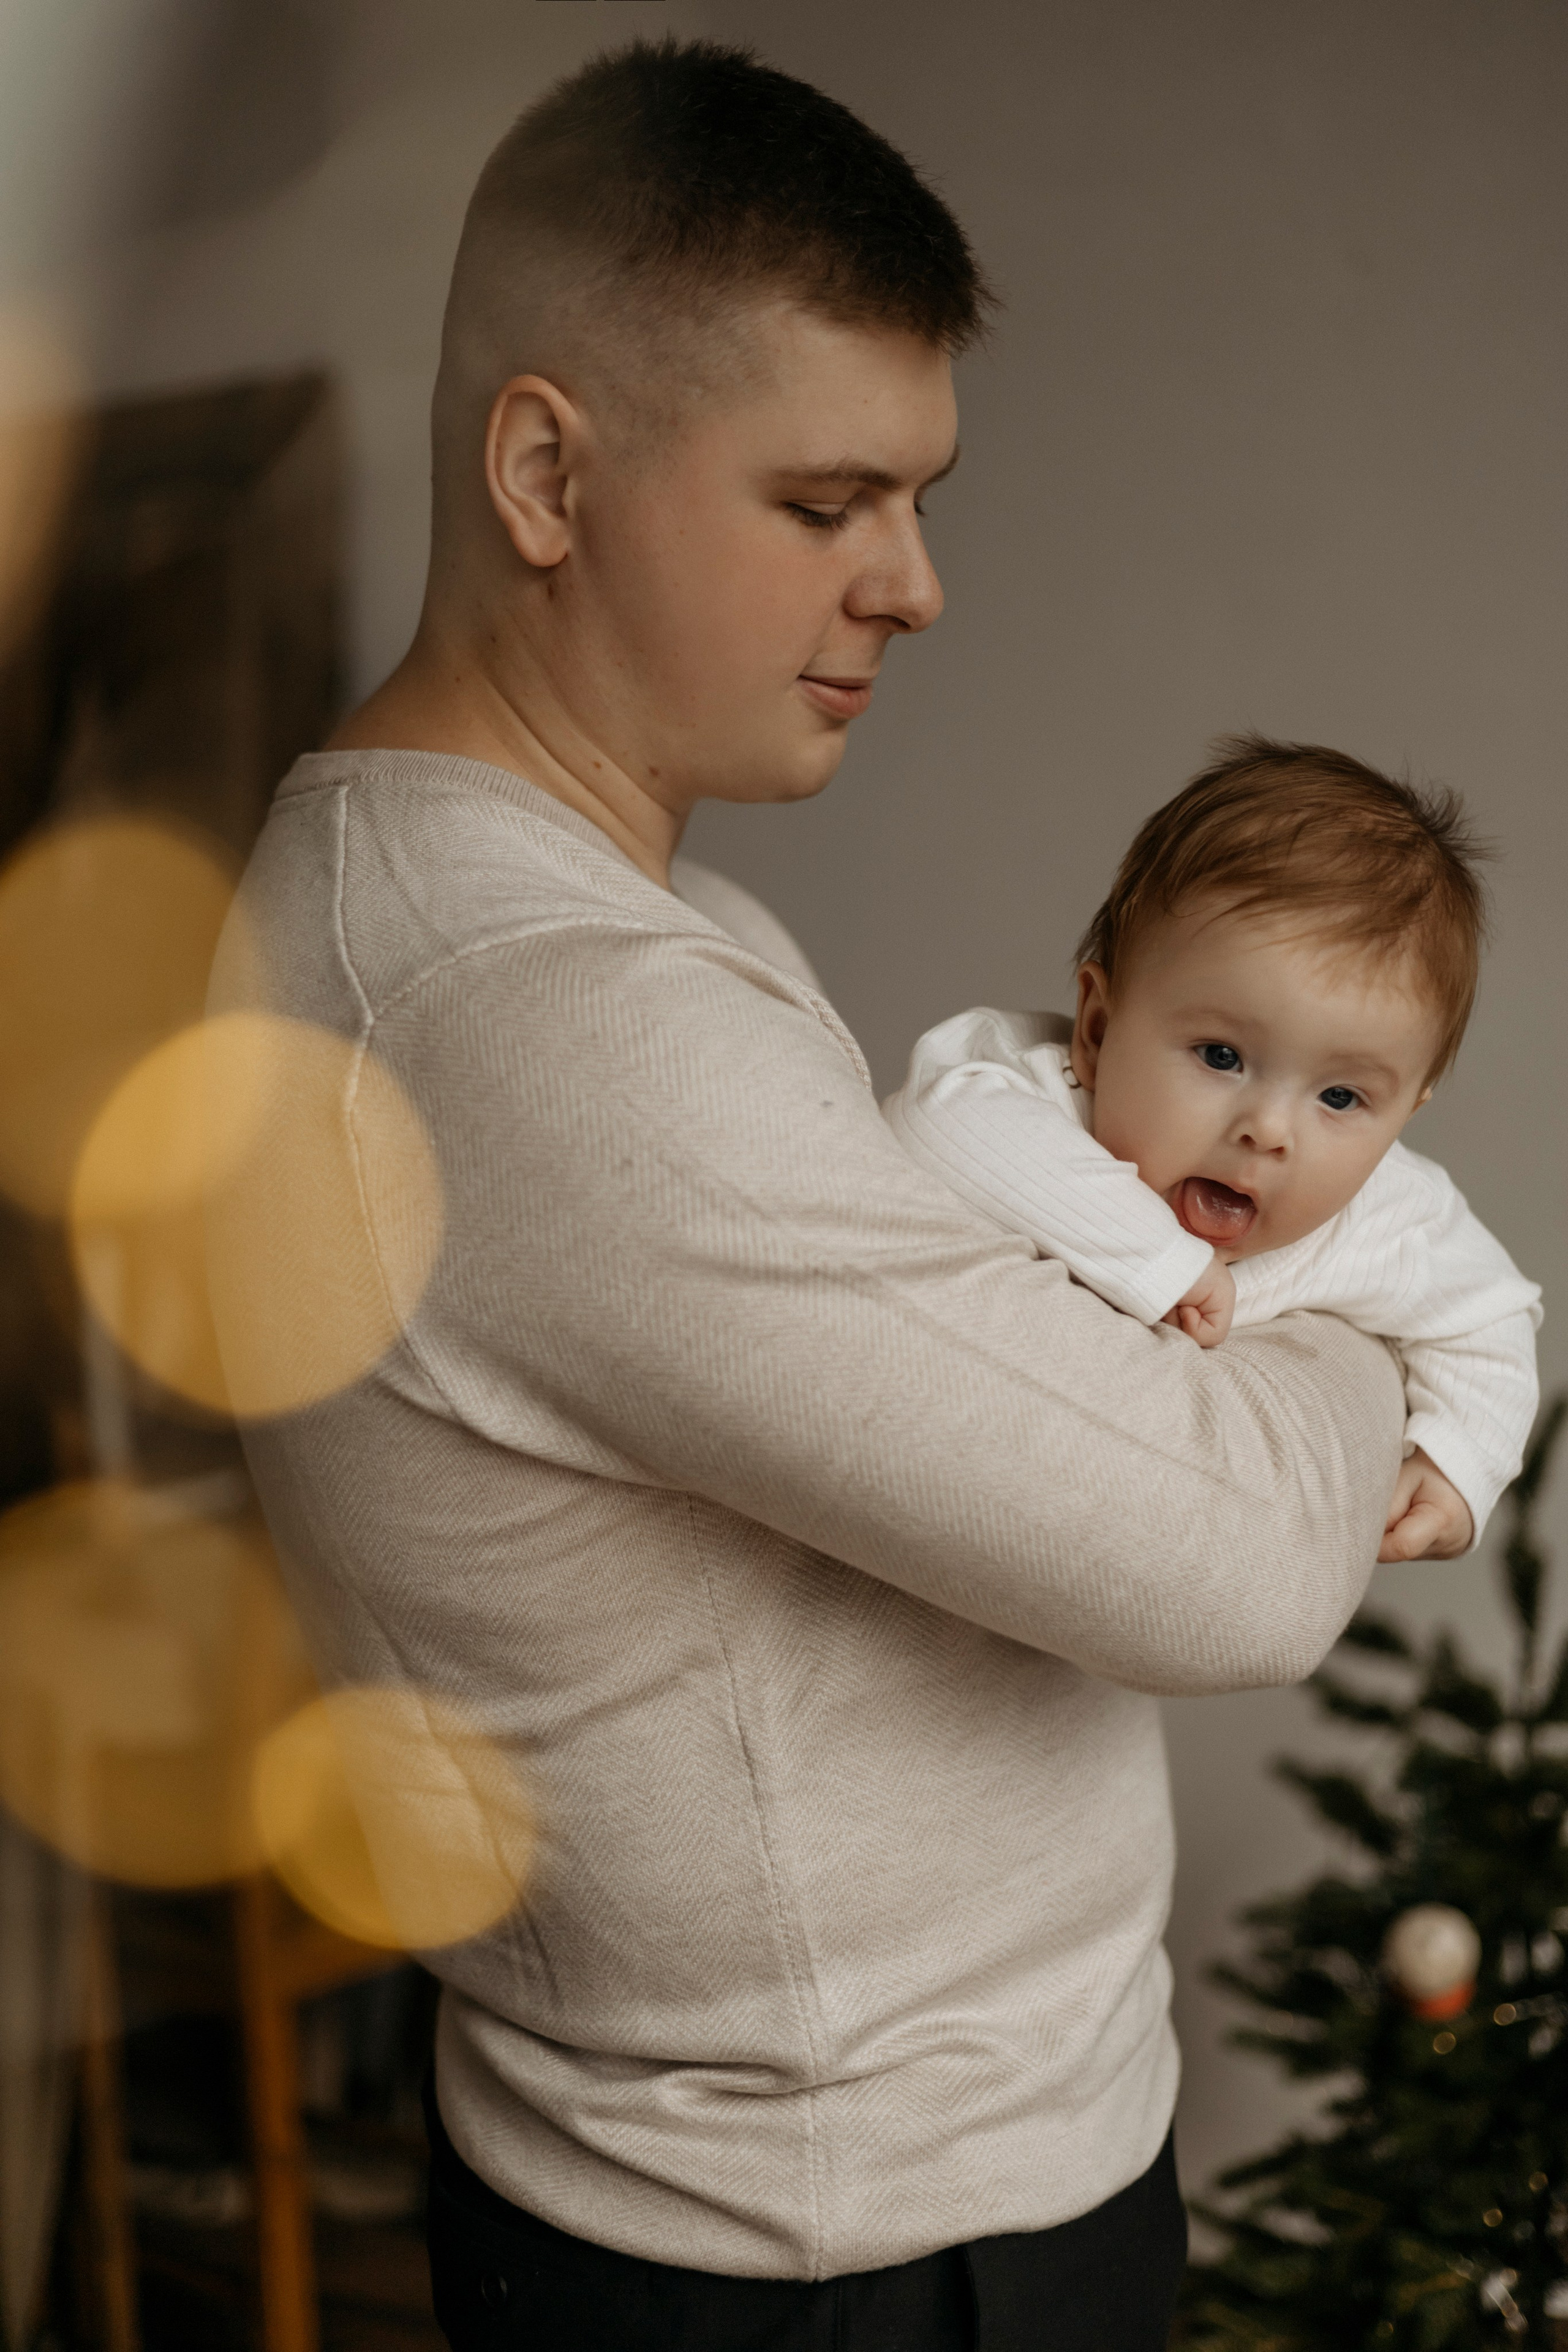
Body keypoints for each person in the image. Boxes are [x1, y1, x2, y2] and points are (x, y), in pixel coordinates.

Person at [222, 39, 1409, 2352]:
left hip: (790, 2198)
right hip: (849, 2257)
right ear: (547, 472)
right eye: (826, 501)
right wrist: (1366, 1284)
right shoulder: (548, 1022)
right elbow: (1245, 1560)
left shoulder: (523, 914)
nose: (917, 585)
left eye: (919, 498)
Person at [886, 737, 1541, 1569]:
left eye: (1341, 1098)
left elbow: (1490, 1317)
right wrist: (1155, 1260)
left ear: (1404, 1116)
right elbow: (937, 1118)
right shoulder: (1038, 1095)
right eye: (1221, 1057)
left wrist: (1459, 1464)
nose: (1269, 1130)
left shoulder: (1387, 1215)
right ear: (1098, 1030)